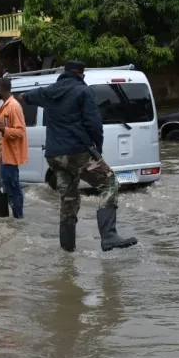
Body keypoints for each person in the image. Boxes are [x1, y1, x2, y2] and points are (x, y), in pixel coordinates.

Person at [22, 61, 138, 253]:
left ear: (64, 73)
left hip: (54, 156)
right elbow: (94, 124)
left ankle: (67, 250)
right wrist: (97, 151)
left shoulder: (49, 92)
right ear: (81, 75)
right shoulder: (83, 92)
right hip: (76, 152)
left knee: (68, 198)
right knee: (109, 183)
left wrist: (24, 96)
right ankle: (108, 235)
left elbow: (30, 96)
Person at [0, 78, 27, 219]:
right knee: (11, 188)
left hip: (10, 157)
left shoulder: (14, 107)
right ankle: (17, 218)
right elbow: (1, 130)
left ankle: (18, 219)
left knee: (12, 190)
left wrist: (5, 130)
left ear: (2, 88)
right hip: (3, 154)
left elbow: (20, 132)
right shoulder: (3, 106)